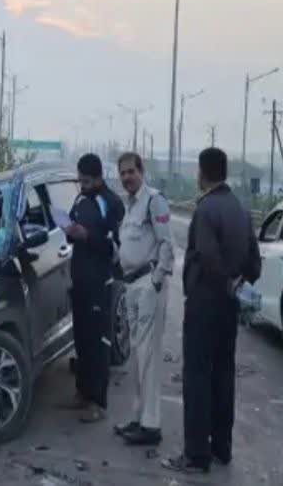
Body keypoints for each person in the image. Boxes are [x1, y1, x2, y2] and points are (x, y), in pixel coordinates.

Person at [163, 147, 249, 474]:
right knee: (224, 373)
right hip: (229, 305)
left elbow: (209, 257)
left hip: (205, 303)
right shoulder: (240, 207)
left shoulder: (206, 208)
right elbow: (253, 258)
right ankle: (221, 448)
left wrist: (220, 280)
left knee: (197, 377)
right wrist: (238, 282)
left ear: (202, 172)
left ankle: (196, 455)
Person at [112, 152, 174, 446]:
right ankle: (138, 418)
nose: (126, 178)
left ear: (141, 171)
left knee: (148, 358)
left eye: (131, 172)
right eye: (122, 173)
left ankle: (151, 426)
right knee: (137, 358)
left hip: (147, 285)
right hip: (131, 286)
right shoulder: (130, 206)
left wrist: (156, 280)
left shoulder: (153, 201)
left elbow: (166, 244)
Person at [62, 153, 124, 423]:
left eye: (86, 181)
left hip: (100, 281)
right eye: (80, 180)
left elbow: (117, 248)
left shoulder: (111, 203)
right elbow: (70, 233)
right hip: (80, 280)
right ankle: (83, 393)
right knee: (83, 339)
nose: (82, 184)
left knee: (100, 343)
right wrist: (70, 231)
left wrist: (89, 236)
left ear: (98, 177)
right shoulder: (80, 200)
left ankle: (98, 402)